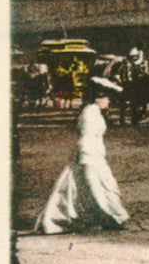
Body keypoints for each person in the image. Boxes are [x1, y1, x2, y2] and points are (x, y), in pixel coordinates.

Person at [34, 77, 130, 233]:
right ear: (98, 98)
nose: (109, 102)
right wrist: (87, 159)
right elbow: (85, 138)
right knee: (96, 187)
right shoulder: (90, 113)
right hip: (90, 157)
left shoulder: (95, 112)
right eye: (106, 98)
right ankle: (112, 217)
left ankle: (111, 216)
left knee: (88, 187)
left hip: (95, 156)